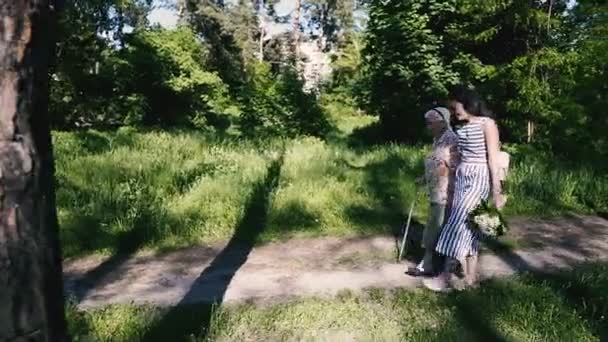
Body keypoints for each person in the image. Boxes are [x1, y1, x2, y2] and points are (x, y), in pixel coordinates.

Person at [423, 86, 506, 291]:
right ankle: (470, 280)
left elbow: (493, 158)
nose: (454, 111)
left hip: (479, 177)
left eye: (455, 106)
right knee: (471, 227)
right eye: (451, 108)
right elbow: (454, 158)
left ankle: (446, 276)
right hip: (461, 177)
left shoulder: (488, 124)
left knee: (456, 224)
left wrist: (497, 191)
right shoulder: (461, 128)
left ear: (467, 102)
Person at [407, 107, 459, 276]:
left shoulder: (452, 139)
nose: (428, 127)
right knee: (435, 226)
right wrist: (424, 177)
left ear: (442, 122)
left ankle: (435, 264)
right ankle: (437, 262)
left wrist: (451, 190)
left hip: (446, 192)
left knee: (438, 227)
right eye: (427, 123)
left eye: (431, 123)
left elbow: (456, 166)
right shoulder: (439, 139)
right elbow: (437, 163)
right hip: (436, 190)